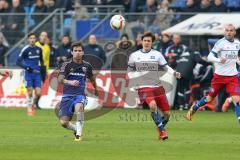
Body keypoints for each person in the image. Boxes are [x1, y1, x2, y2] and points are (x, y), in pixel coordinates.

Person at [127, 32, 181, 140]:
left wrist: (174, 73)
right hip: (143, 87)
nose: (147, 43)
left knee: (167, 115)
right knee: (152, 106)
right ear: (142, 41)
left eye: (149, 41)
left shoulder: (157, 54)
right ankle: (162, 131)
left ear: (152, 43)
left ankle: (159, 126)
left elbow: (166, 67)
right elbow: (130, 71)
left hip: (157, 87)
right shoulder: (134, 55)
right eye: (145, 40)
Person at [186, 24, 240, 123]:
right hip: (219, 77)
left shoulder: (237, 43)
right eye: (227, 30)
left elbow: (235, 56)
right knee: (209, 98)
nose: (229, 32)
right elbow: (210, 57)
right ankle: (195, 107)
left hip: (232, 77)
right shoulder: (220, 43)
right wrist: (219, 60)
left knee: (237, 100)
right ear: (225, 32)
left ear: (234, 32)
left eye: (231, 30)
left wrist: (238, 61)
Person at [57, 42, 98, 141]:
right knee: (64, 123)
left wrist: (96, 89)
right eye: (75, 51)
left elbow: (92, 79)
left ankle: (79, 135)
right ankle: (75, 129)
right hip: (67, 95)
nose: (77, 53)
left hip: (80, 94)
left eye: (80, 51)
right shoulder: (66, 65)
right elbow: (60, 79)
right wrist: (69, 81)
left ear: (83, 52)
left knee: (79, 108)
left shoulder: (87, 66)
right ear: (72, 52)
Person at [16, 32, 46, 116]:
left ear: (35, 39)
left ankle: (33, 104)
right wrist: (26, 67)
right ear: (28, 40)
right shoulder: (25, 49)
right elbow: (18, 61)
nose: (32, 40)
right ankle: (29, 108)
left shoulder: (39, 49)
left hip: (37, 74)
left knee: (38, 93)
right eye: (31, 38)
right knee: (29, 92)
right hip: (28, 73)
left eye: (34, 38)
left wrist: (43, 70)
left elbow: (41, 60)